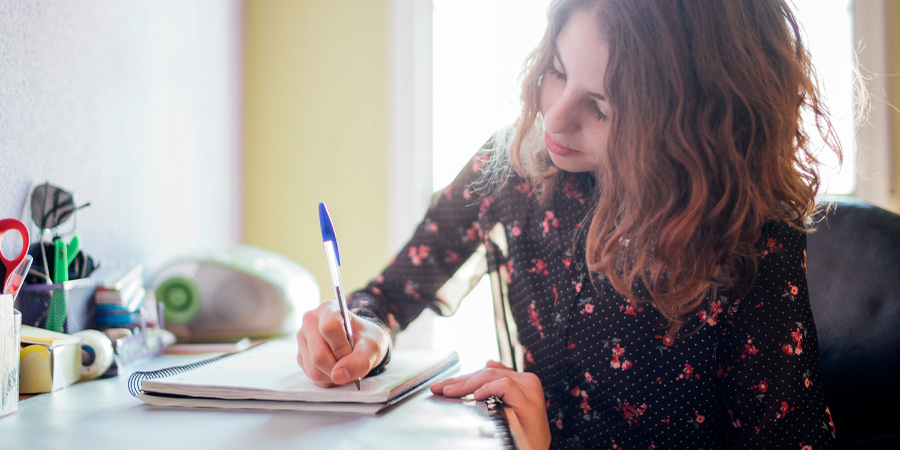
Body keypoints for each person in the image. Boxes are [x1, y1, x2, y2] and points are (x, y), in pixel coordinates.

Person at [296, 0, 842, 448]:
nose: (554, 118)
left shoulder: (749, 238)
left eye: (601, 108)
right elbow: (388, 297)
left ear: (690, 130)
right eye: (557, 71)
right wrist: (360, 331)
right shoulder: (514, 165)